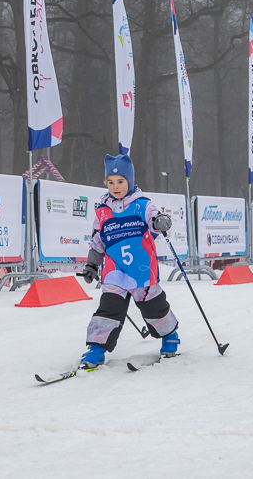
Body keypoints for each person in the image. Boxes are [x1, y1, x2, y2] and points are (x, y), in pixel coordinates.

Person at [78, 154, 180, 368]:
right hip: (114, 272)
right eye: (111, 182)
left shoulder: (142, 205)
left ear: (130, 181)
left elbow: (156, 217)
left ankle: (169, 335)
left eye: (120, 182)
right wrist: (91, 265)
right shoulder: (102, 212)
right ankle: (96, 349)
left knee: (154, 307)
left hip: (141, 270)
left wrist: (161, 221)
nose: (115, 187)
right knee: (108, 309)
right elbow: (98, 242)